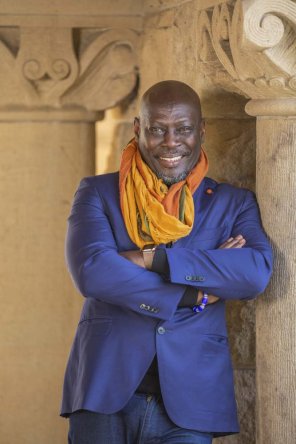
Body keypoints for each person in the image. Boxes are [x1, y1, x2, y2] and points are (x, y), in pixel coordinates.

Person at [61, 80, 272, 444]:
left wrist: (152, 259)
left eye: (183, 130)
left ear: (201, 130)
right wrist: (194, 293)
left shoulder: (233, 203)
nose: (171, 142)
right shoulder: (98, 193)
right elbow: (93, 272)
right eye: (157, 129)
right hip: (105, 389)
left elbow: (253, 273)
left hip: (192, 398)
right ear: (139, 129)